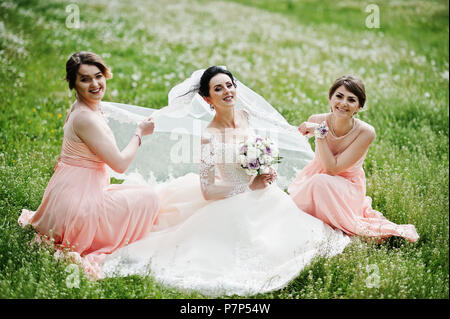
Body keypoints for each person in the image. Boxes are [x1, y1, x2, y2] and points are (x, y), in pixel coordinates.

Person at [100, 66, 350, 297]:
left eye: (229, 85)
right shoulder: (209, 137)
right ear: (207, 99)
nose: (227, 91)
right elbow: (208, 190)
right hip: (230, 198)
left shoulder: (244, 116)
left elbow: (259, 149)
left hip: (265, 194)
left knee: (303, 237)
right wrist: (248, 186)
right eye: (218, 89)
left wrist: (266, 168)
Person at [18, 52, 160, 277]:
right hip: (79, 204)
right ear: (73, 83)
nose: (95, 84)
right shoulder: (85, 118)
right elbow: (120, 164)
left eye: (98, 76)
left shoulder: (82, 107)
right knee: (149, 198)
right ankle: (95, 235)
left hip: (70, 190)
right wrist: (139, 133)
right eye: (85, 79)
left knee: (136, 189)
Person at [288, 75, 419, 243]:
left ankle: (344, 226)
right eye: (339, 96)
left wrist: (320, 133)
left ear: (359, 107)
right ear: (330, 98)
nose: (343, 103)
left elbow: (332, 169)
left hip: (347, 186)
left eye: (351, 100)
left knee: (319, 182)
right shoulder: (316, 120)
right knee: (299, 202)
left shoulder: (366, 132)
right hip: (316, 176)